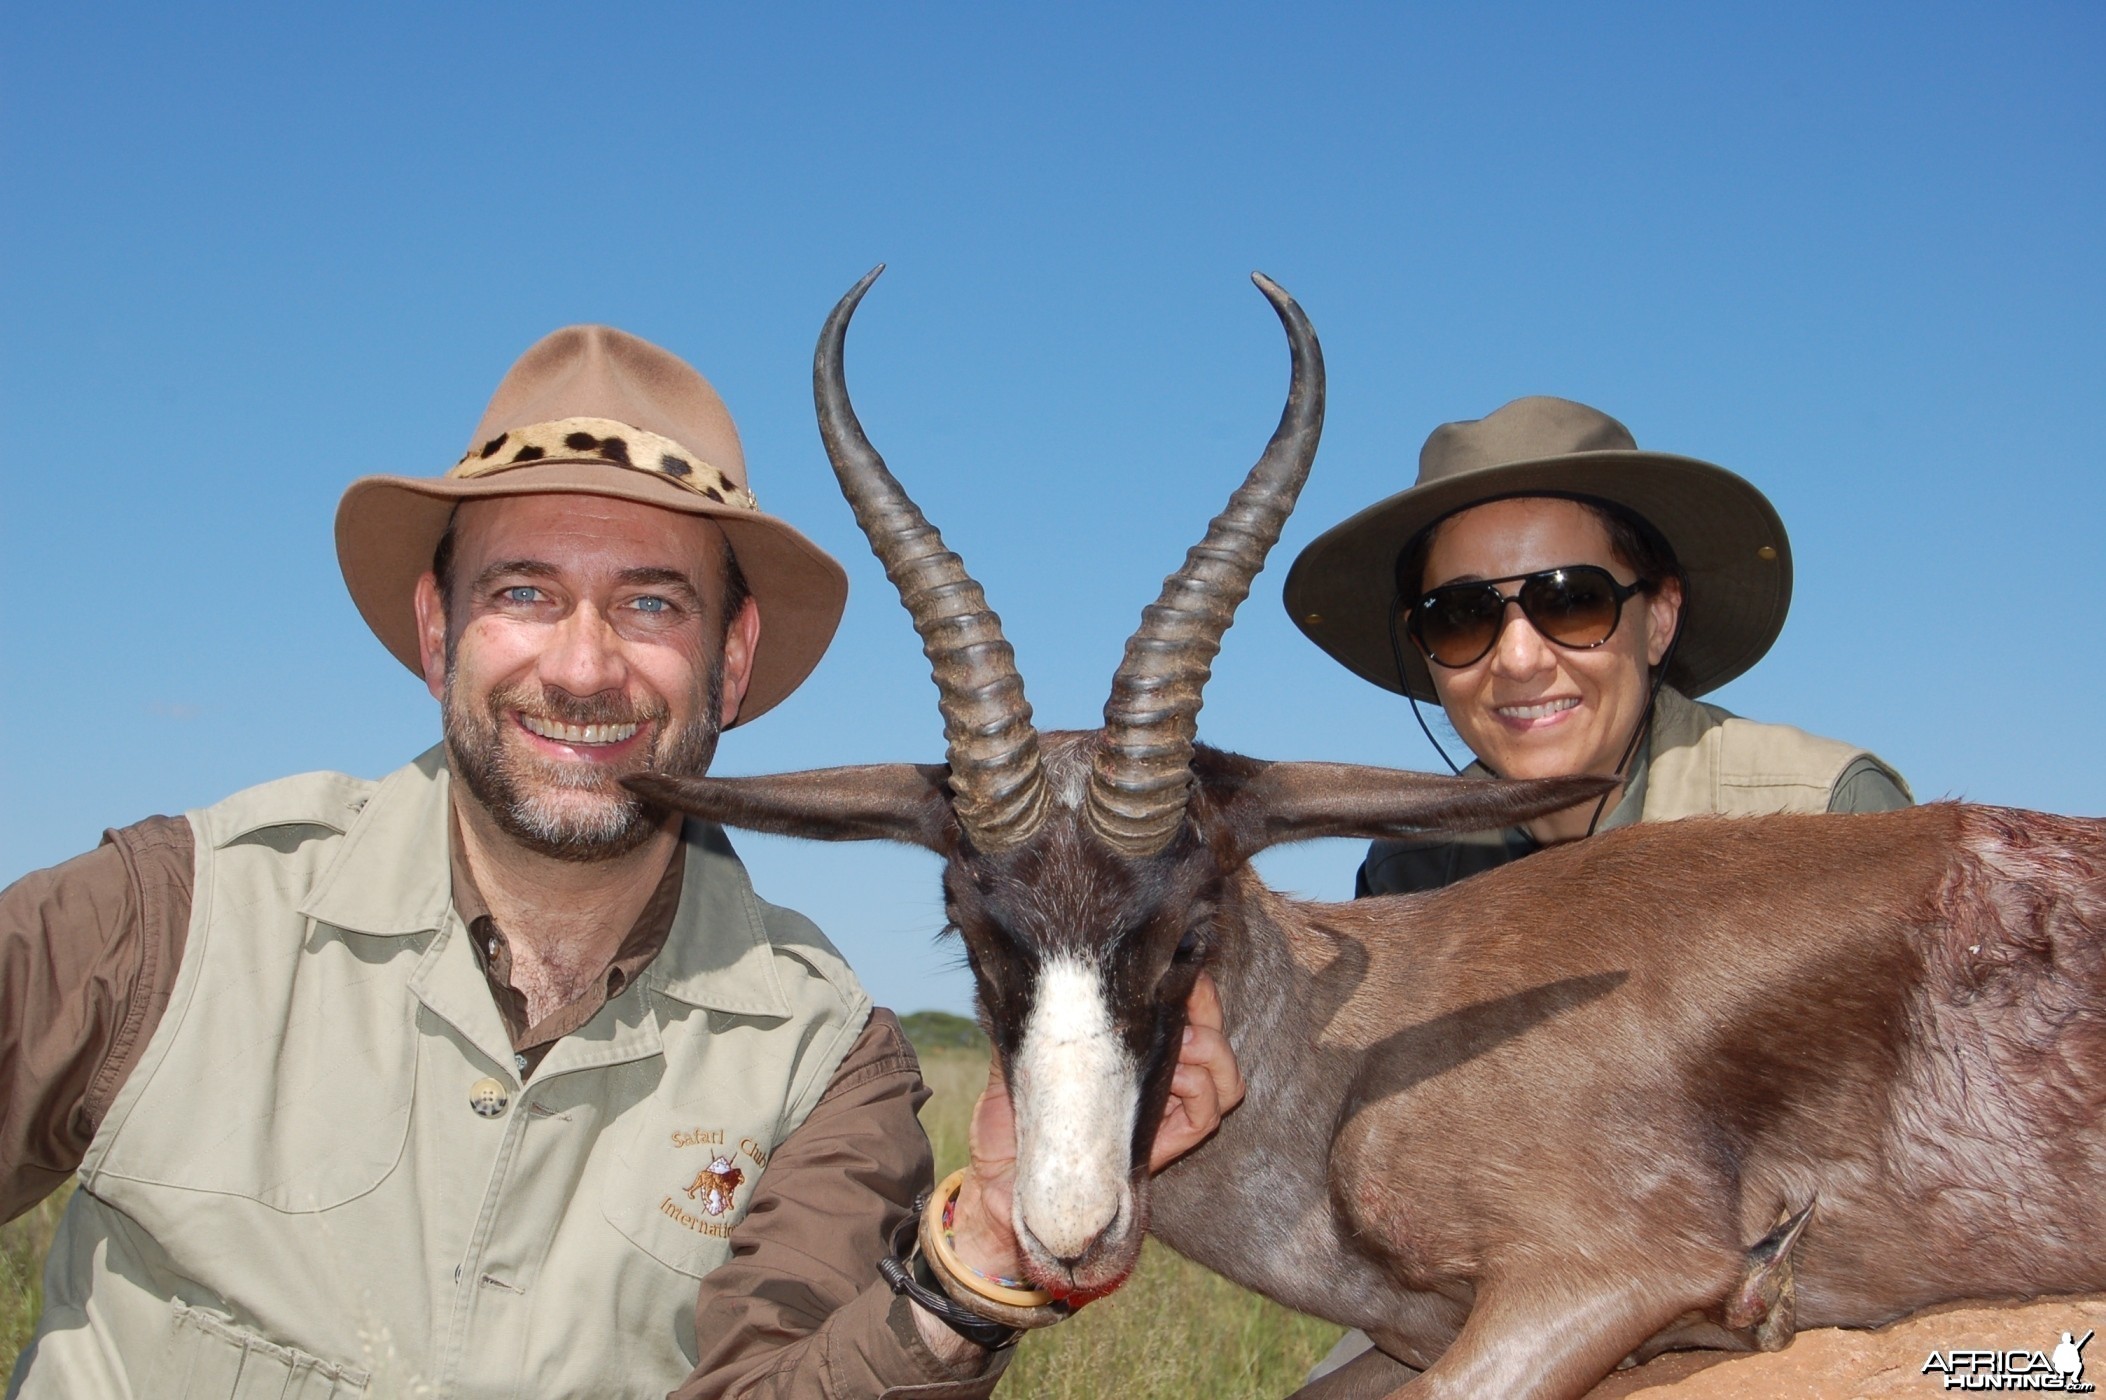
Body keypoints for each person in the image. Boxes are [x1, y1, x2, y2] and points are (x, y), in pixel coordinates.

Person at [0, 324, 1242, 1398]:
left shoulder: (827, 1060)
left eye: (651, 603)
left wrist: (978, 1246)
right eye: (525, 592)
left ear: (733, 656)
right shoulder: (171, 913)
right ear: (440, 629)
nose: (586, 667)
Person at [1281, 394, 1908, 1381]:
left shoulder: (1820, 812)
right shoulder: (1413, 865)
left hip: (1805, 1301)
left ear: (1656, 618)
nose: (1520, 658)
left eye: (1569, 598)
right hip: (1502, 1288)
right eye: (1463, 617)